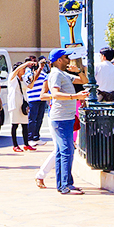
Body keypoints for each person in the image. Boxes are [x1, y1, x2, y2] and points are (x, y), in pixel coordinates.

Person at [41, 48, 86, 195]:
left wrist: (78, 70)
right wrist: (75, 97)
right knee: (67, 150)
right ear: (59, 60)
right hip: (61, 118)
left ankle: (64, 184)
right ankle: (65, 185)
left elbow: (84, 81)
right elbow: (54, 94)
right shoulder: (55, 74)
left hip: (65, 117)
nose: (68, 60)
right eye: (66, 57)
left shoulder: (63, 74)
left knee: (62, 152)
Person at [5, 58, 34, 151]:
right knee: (15, 125)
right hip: (14, 104)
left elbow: (30, 86)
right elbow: (16, 71)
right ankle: (15, 145)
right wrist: (26, 64)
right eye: (23, 69)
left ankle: (26, 144)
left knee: (25, 125)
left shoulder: (23, 79)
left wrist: (34, 73)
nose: (24, 70)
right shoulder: (12, 77)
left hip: (23, 104)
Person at [24, 58, 47, 149]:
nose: (34, 64)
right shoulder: (28, 72)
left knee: (39, 118)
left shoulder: (42, 72)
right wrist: (40, 69)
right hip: (33, 99)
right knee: (32, 119)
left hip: (41, 98)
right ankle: (30, 138)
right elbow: (32, 79)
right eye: (31, 62)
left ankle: (36, 137)